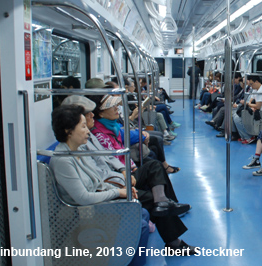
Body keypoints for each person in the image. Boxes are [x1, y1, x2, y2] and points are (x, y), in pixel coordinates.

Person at [57, 97, 197, 255]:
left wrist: (123, 171)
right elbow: (86, 194)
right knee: (151, 198)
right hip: (103, 196)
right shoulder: (65, 160)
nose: (88, 128)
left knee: (154, 166)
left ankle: (166, 203)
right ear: (69, 131)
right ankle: (174, 241)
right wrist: (120, 189)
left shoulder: (82, 145)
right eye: (83, 126)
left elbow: (106, 160)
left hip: (113, 182)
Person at [91, 94, 180, 174]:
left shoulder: (113, 125)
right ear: (101, 113)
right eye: (112, 106)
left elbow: (123, 131)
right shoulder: (102, 133)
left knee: (154, 145)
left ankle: (166, 135)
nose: (116, 107)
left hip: (127, 155)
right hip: (123, 168)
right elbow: (123, 140)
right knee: (155, 149)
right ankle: (164, 165)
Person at [232, 75, 262, 144]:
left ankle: (248, 137)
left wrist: (248, 104)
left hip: (260, 112)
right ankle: (243, 136)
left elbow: (258, 106)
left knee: (237, 118)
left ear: (256, 82)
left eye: (251, 84)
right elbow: (251, 99)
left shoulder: (261, 91)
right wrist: (250, 104)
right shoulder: (255, 89)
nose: (250, 86)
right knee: (235, 116)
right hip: (254, 109)